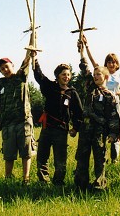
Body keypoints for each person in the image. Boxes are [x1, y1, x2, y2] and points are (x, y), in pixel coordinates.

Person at [74, 38, 120, 191]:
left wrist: (113, 133)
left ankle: (99, 185)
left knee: (100, 158)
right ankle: (80, 184)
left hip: (100, 131)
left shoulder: (109, 96)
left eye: (98, 75)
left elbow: (114, 116)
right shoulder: (90, 88)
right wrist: (82, 50)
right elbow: (84, 68)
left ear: (106, 77)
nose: (95, 77)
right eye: (94, 75)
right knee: (82, 156)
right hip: (85, 129)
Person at [33, 56, 83, 186]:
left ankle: (58, 182)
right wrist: (35, 60)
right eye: (63, 74)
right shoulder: (50, 87)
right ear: (57, 76)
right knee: (42, 156)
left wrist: (75, 128)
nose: (66, 77)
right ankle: (44, 181)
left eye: (68, 74)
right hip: (46, 128)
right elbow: (39, 76)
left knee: (60, 158)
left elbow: (79, 112)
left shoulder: (72, 93)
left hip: (61, 130)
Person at [0, 50, 35, 184]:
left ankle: (25, 179)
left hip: (23, 121)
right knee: (8, 154)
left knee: (26, 151)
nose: (5, 69)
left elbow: (27, 61)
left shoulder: (21, 76)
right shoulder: (0, 83)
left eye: (6, 66)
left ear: (12, 65)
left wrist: (31, 44)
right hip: (7, 123)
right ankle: (8, 178)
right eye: (2, 68)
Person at [84, 44, 120, 163]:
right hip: (101, 104)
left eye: (113, 62)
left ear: (117, 64)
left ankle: (114, 158)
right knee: (102, 129)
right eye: (109, 62)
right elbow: (92, 61)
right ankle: (101, 154)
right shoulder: (102, 73)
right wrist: (87, 47)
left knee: (116, 129)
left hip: (114, 104)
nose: (111, 64)